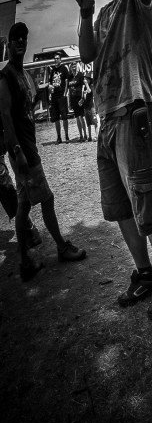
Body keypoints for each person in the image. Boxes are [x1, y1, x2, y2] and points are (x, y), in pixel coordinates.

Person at [72, 0, 152, 320]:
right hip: (107, 117)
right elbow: (87, 53)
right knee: (120, 206)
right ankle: (145, 274)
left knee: (147, 202)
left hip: (136, 112)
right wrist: (85, 10)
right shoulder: (103, 15)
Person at [0, 22, 87, 281]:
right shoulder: (5, 78)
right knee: (45, 200)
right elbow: (5, 117)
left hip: (29, 146)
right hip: (23, 150)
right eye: (16, 38)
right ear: (9, 43)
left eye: (23, 38)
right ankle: (61, 246)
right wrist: (17, 151)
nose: (20, 42)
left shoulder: (24, 75)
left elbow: (34, 101)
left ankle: (26, 261)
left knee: (24, 204)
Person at [46, 54, 71, 144]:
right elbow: (49, 81)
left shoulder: (64, 68)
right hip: (54, 96)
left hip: (61, 96)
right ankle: (59, 137)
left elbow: (66, 81)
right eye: (55, 58)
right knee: (56, 118)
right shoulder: (53, 70)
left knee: (64, 117)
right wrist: (50, 87)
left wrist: (65, 93)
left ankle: (67, 136)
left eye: (57, 58)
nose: (56, 60)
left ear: (60, 60)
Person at [67, 62, 89, 142]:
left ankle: (85, 134)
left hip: (79, 98)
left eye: (75, 66)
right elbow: (68, 89)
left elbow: (83, 87)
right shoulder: (69, 77)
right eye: (72, 66)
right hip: (73, 99)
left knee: (81, 117)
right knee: (77, 117)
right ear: (70, 67)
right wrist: (69, 102)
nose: (73, 67)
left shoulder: (80, 75)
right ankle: (81, 135)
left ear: (77, 66)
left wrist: (82, 98)